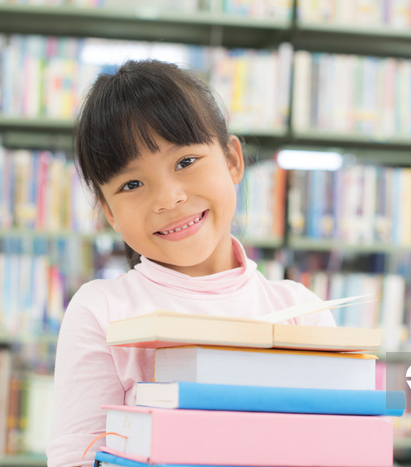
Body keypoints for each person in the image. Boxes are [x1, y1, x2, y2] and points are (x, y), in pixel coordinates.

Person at [47, 59, 335, 467]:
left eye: (185, 162)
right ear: (109, 212)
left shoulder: (302, 313)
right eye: (132, 184)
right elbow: (77, 457)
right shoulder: (102, 311)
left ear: (233, 160)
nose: (168, 198)